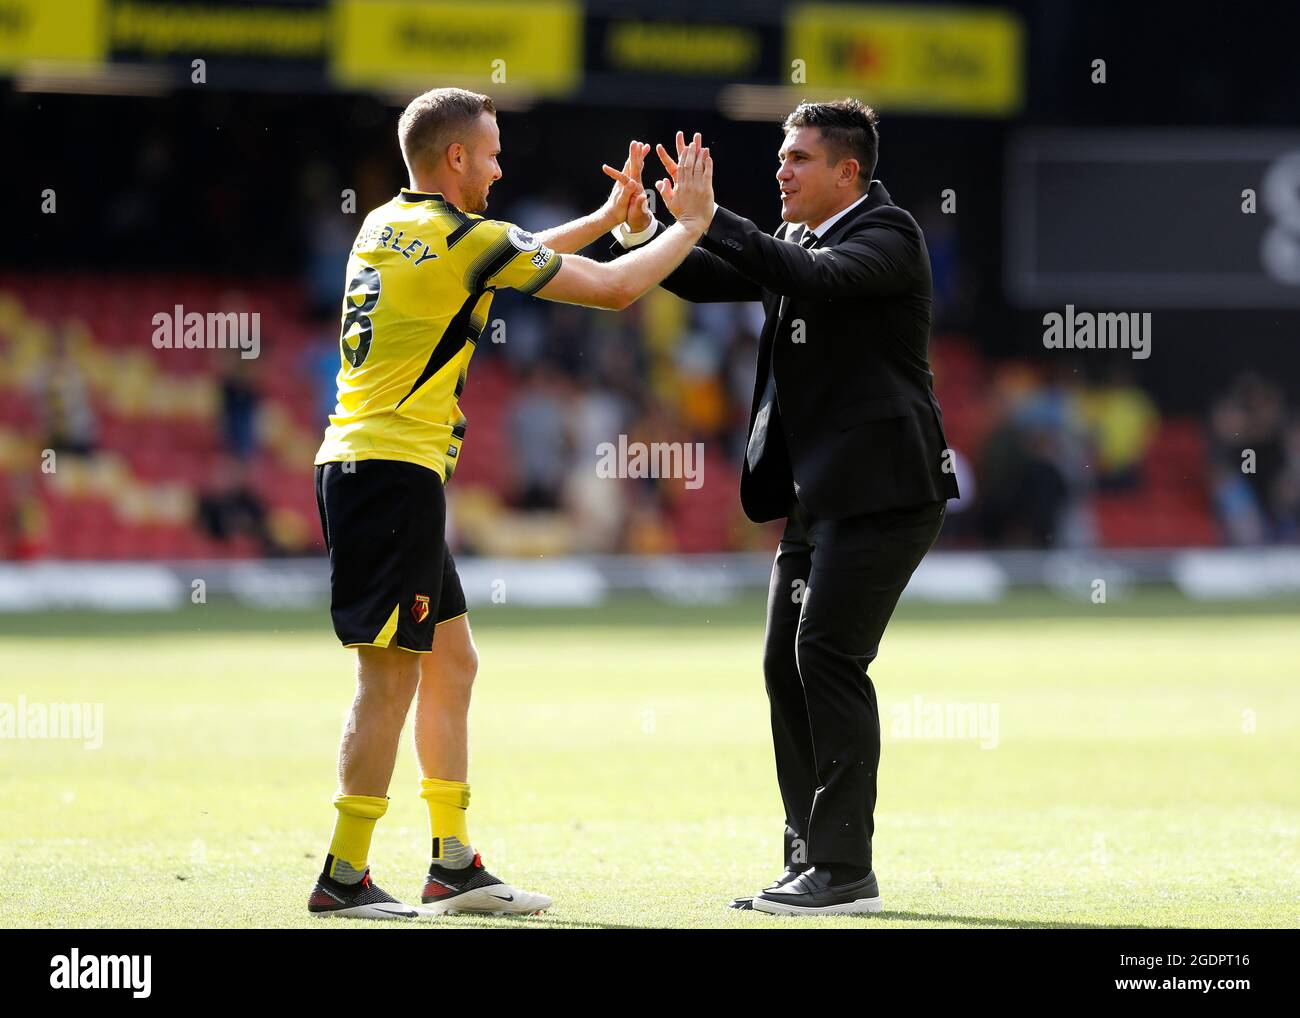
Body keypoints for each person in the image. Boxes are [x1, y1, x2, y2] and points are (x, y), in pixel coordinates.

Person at [308, 86, 715, 918]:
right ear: (455, 157)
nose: (499, 168)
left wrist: (605, 215)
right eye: (491, 154)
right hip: (390, 475)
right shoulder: (463, 238)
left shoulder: (387, 225)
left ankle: (452, 863)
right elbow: (609, 291)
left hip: (372, 468)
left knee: (451, 664)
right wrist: (691, 226)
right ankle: (343, 877)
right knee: (387, 681)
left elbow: (504, 256)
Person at [609, 100, 959, 915]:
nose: (782, 169)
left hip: (885, 492)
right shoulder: (798, 237)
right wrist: (643, 233)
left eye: (799, 158)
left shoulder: (889, 233)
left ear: (848, 171)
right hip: (819, 496)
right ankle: (809, 857)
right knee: (785, 664)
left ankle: (845, 873)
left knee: (829, 660)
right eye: (781, 156)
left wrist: (710, 214)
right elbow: (704, 279)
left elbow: (818, 281)